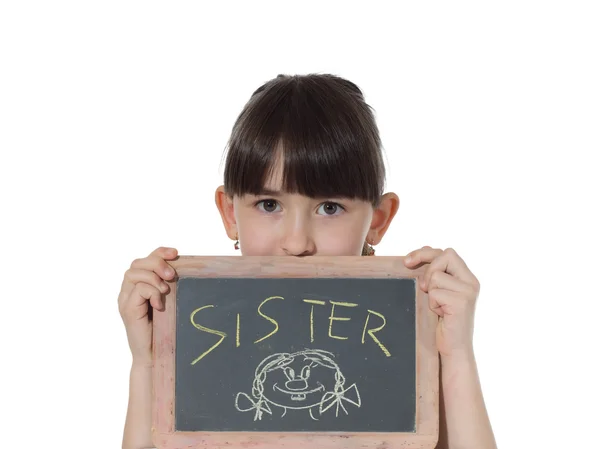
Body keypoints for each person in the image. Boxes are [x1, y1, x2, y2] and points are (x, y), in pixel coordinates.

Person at [118, 74, 497, 449]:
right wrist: (149, 362)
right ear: (230, 213)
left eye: (329, 208)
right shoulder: (201, 344)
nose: (296, 242)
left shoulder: (406, 341)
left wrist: (456, 355)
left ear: (377, 221)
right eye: (269, 205)